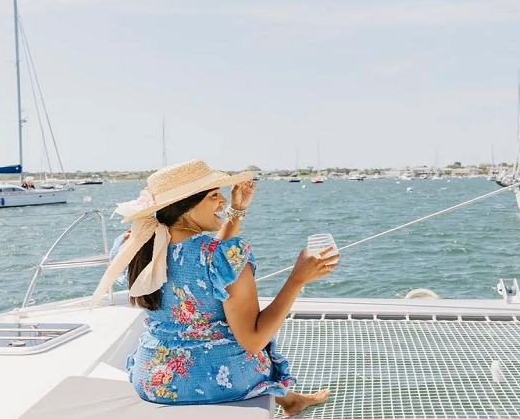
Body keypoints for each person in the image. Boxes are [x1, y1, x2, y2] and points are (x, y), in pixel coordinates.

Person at [91, 160, 336, 415]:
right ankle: (290, 398)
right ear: (187, 205)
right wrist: (297, 279)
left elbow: (203, 264)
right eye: (214, 195)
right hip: (220, 381)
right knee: (255, 347)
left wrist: (237, 209)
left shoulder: (135, 245)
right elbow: (253, 340)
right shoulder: (223, 256)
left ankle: (291, 400)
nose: (223, 201)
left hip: (153, 380)